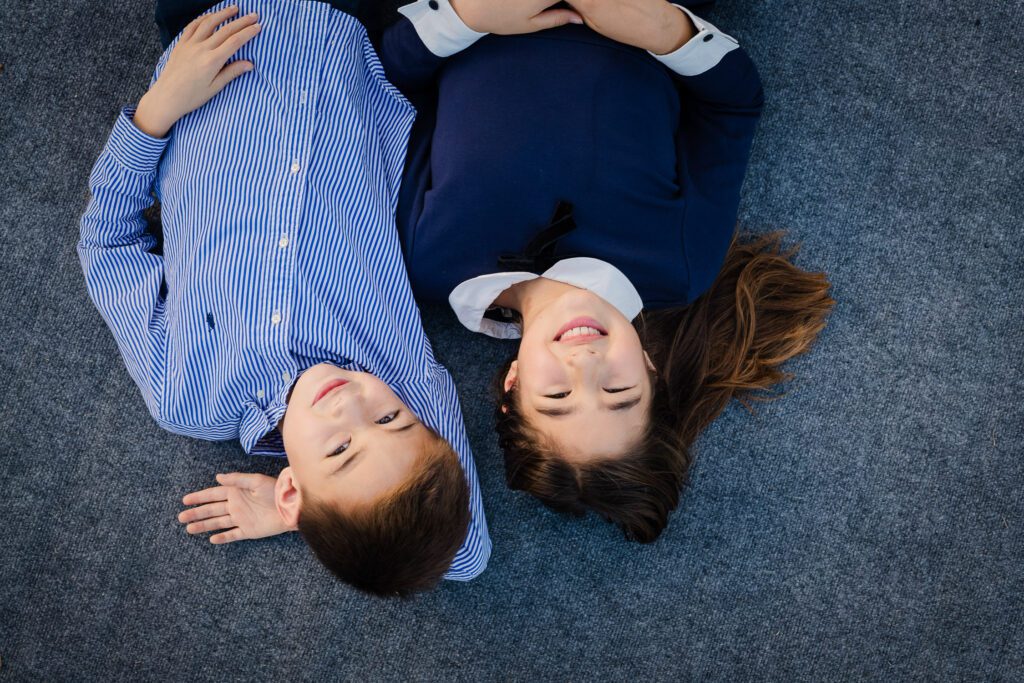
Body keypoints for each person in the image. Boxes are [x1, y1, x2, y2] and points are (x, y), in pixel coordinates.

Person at [378, 0, 835, 541]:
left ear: (512, 386)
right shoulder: (678, 263)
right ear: (650, 368)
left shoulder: (424, 261)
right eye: (618, 390)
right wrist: (666, 30)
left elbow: (379, 94)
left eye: (557, 398)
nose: (585, 364)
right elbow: (733, 107)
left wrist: (466, 16)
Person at [78, 1, 490, 596]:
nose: (352, 404)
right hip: (347, 30)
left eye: (341, 449)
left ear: (294, 485)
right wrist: (311, 511)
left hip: (216, 32)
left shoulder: (188, 395)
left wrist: (156, 112)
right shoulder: (399, 371)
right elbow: (468, 555)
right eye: (390, 419)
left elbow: (107, 243)